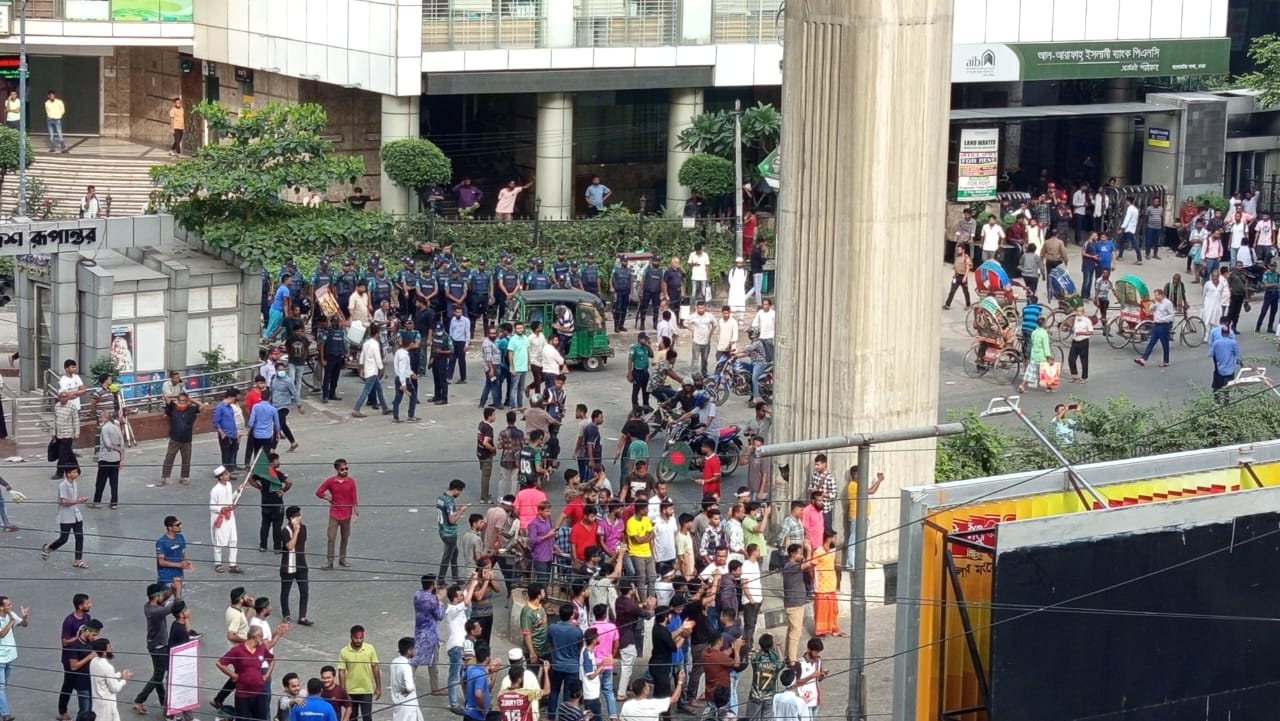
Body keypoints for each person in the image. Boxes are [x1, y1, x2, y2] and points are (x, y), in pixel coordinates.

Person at [216, 625, 273, 721]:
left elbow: (272, 660)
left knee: (261, 718)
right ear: (256, 637)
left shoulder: (261, 648)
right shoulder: (237, 651)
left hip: (259, 691)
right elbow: (220, 663)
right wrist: (233, 675)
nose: (263, 639)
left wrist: (267, 675)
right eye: (262, 636)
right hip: (243, 694)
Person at [316, 460, 359, 569]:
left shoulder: (351, 482)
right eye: (342, 469)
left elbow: (354, 498)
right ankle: (330, 561)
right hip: (334, 513)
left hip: (347, 514)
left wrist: (355, 513)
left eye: (346, 469)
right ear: (337, 470)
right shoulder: (331, 481)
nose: (345, 471)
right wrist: (329, 498)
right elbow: (319, 492)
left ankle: (342, 559)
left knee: (345, 537)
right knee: (331, 537)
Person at [44, 466, 88, 569]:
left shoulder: (75, 483)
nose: (76, 474)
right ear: (68, 474)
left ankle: (78, 560)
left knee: (80, 537)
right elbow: (64, 501)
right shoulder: (63, 485)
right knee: (64, 538)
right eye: (74, 472)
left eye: (77, 472)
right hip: (66, 516)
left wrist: (77, 501)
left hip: (76, 514)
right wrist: (79, 500)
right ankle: (48, 547)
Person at [250, 452, 292, 553]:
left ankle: (263, 545)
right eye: (277, 460)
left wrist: (260, 487)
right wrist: (283, 490)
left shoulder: (262, 473)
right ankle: (277, 547)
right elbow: (289, 482)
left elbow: (251, 479)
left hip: (265, 502)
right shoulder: (277, 474)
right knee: (277, 526)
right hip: (277, 503)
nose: (279, 462)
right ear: (272, 462)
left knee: (265, 524)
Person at [337, 626, 380, 721]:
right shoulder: (344, 651)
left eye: (361, 638)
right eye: (356, 638)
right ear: (351, 637)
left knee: (367, 717)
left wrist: (378, 687)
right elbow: (341, 672)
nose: (359, 640)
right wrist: (343, 691)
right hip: (351, 691)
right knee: (353, 717)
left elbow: (375, 667)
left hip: (367, 690)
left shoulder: (370, 649)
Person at [160, 392, 202, 486]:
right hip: (175, 438)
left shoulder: (191, 409)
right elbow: (166, 396)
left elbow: (202, 407)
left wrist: (190, 399)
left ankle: (184, 477)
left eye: (184, 401)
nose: (181, 402)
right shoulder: (173, 408)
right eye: (180, 400)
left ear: (187, 401)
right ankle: (165, 477)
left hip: (187, 439)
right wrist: (178, 396)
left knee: (186, 459)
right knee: (169, 457)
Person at [280, 505, 313, 625]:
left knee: (304, 591)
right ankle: (286, 614)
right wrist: (296, 531)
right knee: (285, 592)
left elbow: (303, 545)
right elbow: (290, 546)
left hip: (301, 566)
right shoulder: (285, 531)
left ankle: (302, 616)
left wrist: (305, 561)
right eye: (297, 516)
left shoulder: (304, 528)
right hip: (288, 567)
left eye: (300, 515)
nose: (300, 518)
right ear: (290, 519)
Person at [0, 596, 29, 719]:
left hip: (10, 655)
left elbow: (24, 624)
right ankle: (6, 714)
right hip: (0, 658)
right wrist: (11, 622)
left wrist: (25, 617)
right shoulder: (8, 618)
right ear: (1, 607)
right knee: (0, 688)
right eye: (8, 605)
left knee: (4, 685)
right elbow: (1, 634)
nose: (11, 607)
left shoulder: (10, 614)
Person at [89, 638, 131, 721]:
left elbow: (104, 678)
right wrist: (124, 680)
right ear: (104, 652)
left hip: (97, 701)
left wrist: (119, 674)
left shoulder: (93, 661)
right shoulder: (107, 667)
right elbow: (115, 688)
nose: (111, 649)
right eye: (109, 647)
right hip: (107, 704)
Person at [351, 326, 387, 418]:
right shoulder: (375, 344)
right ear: (377, 334)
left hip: (368, 369)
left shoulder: (366, 343)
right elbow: (378, 358)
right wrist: (382, 369)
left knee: (379, 389)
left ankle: (385, 407)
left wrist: (361, 368)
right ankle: (356, 409)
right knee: (366, 391)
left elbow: (362, 356)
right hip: (373, 371)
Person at [436, 479, 469, 581]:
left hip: (442, 530)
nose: (459, 494)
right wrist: (461, 511)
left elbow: (446, 512)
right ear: (455, 490)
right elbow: (452, 520)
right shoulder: (449, 502)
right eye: (460, 491)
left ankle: (455, 576)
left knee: (454, 553)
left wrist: (456, 509)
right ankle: (441, 580)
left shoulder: (440, 498)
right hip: (449, 533)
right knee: (447, 556)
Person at [1135, 288, 1175, 368]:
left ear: (1161, 295)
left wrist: (1163, 320)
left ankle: (1166, 361)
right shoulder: (1156, 303)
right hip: (1156, 324)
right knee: (1151, 342)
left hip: (1163, 325)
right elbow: (1150, 310)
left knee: (1165, 344)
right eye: (1155, 295)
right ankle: (1143, 359)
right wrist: (1153, 304)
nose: (1155, 297)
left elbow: (1172, 315)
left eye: (1156, 295)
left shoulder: (1167, 303)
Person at [388, 638, 422, 721]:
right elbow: (409, 687)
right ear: (409, 650)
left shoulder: (394, 661)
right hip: (408, 704)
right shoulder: (406, 666)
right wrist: (409, 687)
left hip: (397, 700)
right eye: (414, 648)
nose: (415, 650)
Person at [155, 515, 191, 587]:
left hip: (178, 574)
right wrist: (179, 565)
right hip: (166, 576)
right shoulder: (161, 542)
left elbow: (182, 551)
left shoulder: (180, 537)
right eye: (177, 525)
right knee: (164, 597)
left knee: (178, 596)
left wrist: (187, 562)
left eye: (180, 524)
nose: (180, 526)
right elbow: (161, 562)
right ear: (169, 527)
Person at [1210, 326, 1241, 404]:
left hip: (1219, 369)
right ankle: (1226, 402)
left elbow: (1211, 354)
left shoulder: (1216, 343)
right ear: (1228, 333)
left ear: (1221, 333)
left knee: (1216, 386)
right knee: (1227, 388)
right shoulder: (1233, 343)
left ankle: (1217, 401)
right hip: (1230, 371)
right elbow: (1238, 356)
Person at [1203, 267, 1229, 342]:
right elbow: (1204, 294)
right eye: (1213, 276)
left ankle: (1215, 336)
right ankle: (1207, 337)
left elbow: (1220, 295)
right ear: (1211, 276)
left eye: (1216, 276)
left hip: (1217, 305)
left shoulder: (1221, 285)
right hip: (1209, 304)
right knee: (1207, 321)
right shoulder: (1208, 284)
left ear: (1218, 276)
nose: (1215, 278)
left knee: (1216, 321)